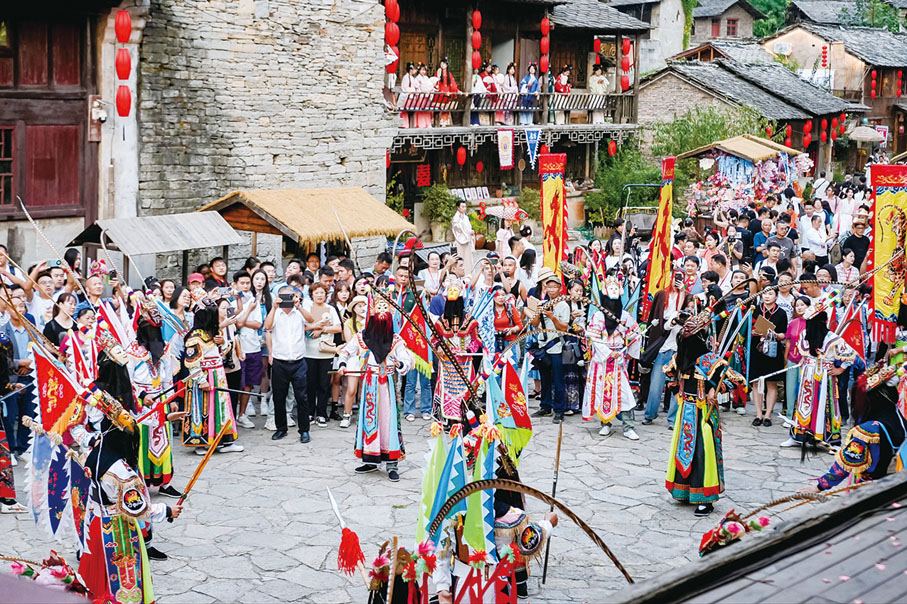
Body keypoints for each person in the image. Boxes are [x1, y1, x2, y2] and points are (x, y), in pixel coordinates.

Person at [665, 313, 746, 516]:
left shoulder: (710, 360)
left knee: (702, 454)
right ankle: (684, 491)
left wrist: (714, 391)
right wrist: (676, 393)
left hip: (704, 413)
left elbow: (736, 379)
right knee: (684, 452)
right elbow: (670, 375)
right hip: (685, 412)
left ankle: (705, 499)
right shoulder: (680, 357)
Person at [337, 295, 413, 482]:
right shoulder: (363, 337)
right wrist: (342, 364)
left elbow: (407, 359)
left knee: (388, 422)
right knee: (369, 421)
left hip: (387, 385)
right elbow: (346, 350)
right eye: (378, 309)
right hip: (369, 384)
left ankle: (392, 463)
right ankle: (370, 460)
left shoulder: (395, 339)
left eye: (385, 309)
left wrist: (400, 363)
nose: (382, 313)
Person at [781, 293, 854, 448]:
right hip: (808, 375)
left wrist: (840, 369)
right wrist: (803, 361)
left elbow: (850, 355)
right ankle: (797, 436)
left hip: (825, 376)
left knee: (827, 407)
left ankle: (832, 441)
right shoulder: (805, 335)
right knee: (804, 405)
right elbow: (804, 353)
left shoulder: (832, 338)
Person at [583, 274, 641, 440]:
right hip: (601, 362)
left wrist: (628, 350)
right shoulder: (598, 316)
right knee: (601, 391)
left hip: (618, 361)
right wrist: (608, 353)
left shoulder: (625, 316)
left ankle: (628, 426)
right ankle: (605, 423)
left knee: (624, 393)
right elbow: (594, 338)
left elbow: (636, 334)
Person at [182, 305, 243, 453]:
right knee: (204, 410)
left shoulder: (214, 332)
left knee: (221, 409)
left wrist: (223, 343)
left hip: (218, 375)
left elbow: (222, 352)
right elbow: (192, 362)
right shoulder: (195, 337)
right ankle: (201, 443)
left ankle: (225, 442)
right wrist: (201, 380)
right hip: (204, 377)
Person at [642, 271, 694, 427]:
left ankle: (672, 419)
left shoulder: (691, 308)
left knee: (676, 386)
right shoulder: (666, 300)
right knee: (656, 386)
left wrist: (684, 296)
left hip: (680, 353)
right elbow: (664, 325)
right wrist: (674, 320)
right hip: (664, 350)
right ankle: (650, 414)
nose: (689, 309)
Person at [265, 286, 314, 443]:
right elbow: (267, 327)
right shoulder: (275, 313)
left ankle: (304, 430)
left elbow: (311, 320)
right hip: (280, 361)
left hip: (299, 361)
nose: (287, 300)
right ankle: (281, 428)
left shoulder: (299, 312)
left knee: (302, 397)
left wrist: (299, 306)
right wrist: (274, 307)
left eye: (290, 296)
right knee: (279, 397)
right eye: (283, 296)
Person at [530, 269, 569, 423]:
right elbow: (535, 324)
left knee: (558, 380)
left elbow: (564, 328)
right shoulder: (544, 304)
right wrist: (538, 312)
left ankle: (559, 410)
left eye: (554, 287)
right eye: (549, 287)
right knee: (545, 378)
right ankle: (545, 406)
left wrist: (552, 317)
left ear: (560, 288)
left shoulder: (564, 305)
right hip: (543, 346)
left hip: (556, 346)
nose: (551, 290)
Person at [749, 286, 788, 426]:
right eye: (765, 293)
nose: (767, 296)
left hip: (772, 349)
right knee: (756, 382)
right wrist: (753, 332)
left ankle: (768, 415)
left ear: (776, 296)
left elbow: (784, 334)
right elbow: (747, 329)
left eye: (770, 293)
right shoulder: (755, 310)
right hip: (756, 348)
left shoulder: (781, 313)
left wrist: (776, 335)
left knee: (771, 383)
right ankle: (758, 414)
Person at [304, 283, 342, 427]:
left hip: (326, 352)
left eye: (322, 292)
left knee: (324, 384)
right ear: (311, 295)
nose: (319, 295)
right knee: (310, 383)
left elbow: (338, 328)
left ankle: (321, 413)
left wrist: (323, 329)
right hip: (309, 351)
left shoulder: (331, 309)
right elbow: (303, 326)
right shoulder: (307, 308)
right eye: (316, 292)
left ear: (326, 295)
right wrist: (314, 328)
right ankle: (309, 412)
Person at [340, 295, 368, 428]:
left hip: (368, 358)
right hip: (354, 357)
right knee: (351, 389)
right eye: (359, 306)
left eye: (364, 305)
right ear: (354, 308)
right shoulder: (349, 323)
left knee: (365, 389)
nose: (363, 309)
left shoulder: (371, 322)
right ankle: (347, 414)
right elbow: (349, 342)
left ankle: (366, 414)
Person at [784, 296, 809, 420]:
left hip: (807, 361)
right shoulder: (793, 323)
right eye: (797, 305)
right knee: (790, 388)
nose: (799, 308)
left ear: (808, 307)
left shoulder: (813, 322)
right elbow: (788, 341)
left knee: (804, 388)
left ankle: (802, 416)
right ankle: (789, 415)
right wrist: (786, 356)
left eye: (802, 305)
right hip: (792, 359)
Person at [435, 56, 459, 127]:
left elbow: (453, 85)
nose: (442, 65)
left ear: (447, 65)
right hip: (439, 93)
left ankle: (444, 122)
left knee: (445, 109)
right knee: (437, 108)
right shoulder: (438, 73)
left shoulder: (449, 74)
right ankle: (436, 122)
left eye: (444, 63)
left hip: (446, 94)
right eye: (441, 63)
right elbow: (435, 83)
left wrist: (455, 91)